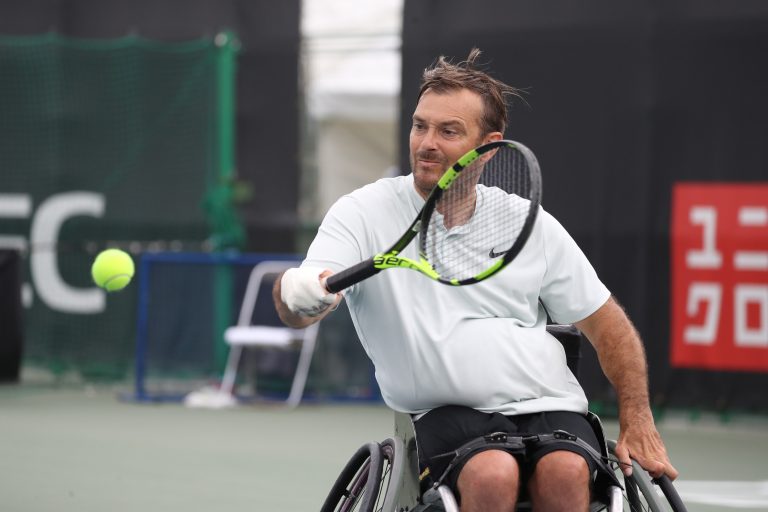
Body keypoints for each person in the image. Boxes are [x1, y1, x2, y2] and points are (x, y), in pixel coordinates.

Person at [274, 48, 677, 512]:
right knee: (492, 473)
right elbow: (304, 299)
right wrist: (298, 293)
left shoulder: (528, 223)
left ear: (489, 146)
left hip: (549, 405)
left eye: (448, 131)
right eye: (420, 126)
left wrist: (638, 418)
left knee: (566, 473)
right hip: (445, 414)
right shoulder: (362, 212)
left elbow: (608, 325)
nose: (427, 143)